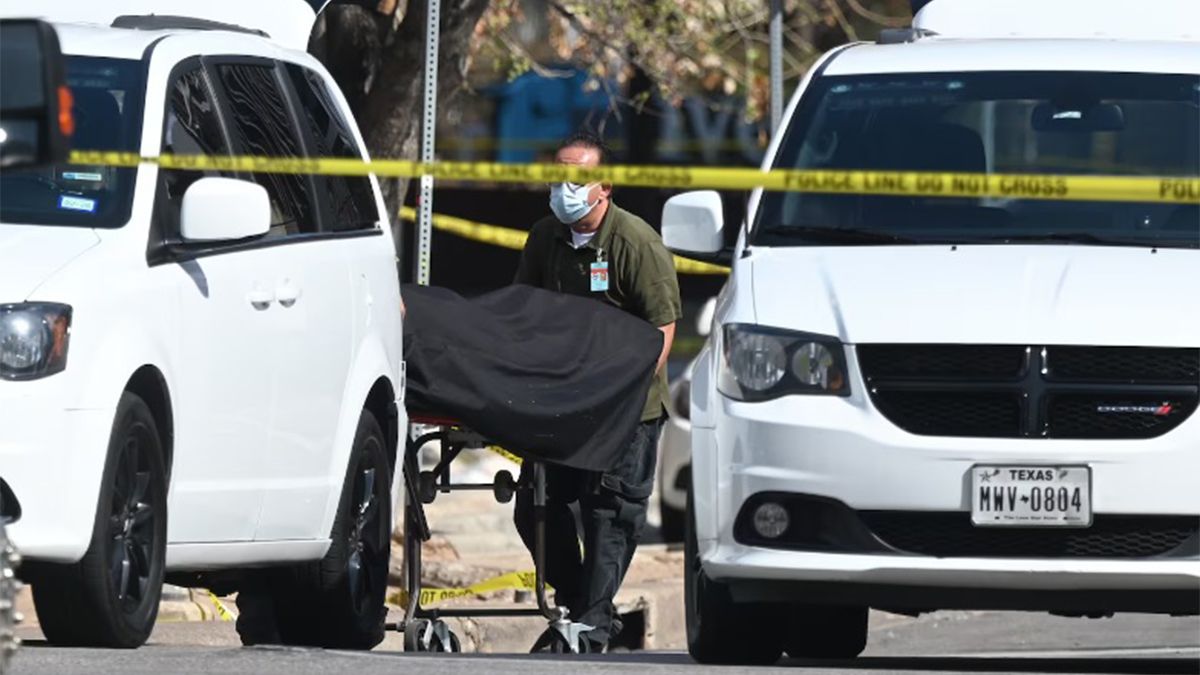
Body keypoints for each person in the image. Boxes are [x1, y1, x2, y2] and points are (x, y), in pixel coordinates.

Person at [512, 131, 682, 653]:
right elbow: (524, 311)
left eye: (578, 176)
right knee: (536, 506)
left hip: (625, 407)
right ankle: (582, 607)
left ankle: (590, 623)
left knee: (610, 513)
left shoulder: (635, 244)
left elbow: (662, 332)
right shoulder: (546, 237)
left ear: (604, 186)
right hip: (565, 404)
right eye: (558, 174)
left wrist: (619, 399)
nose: (565, 186)